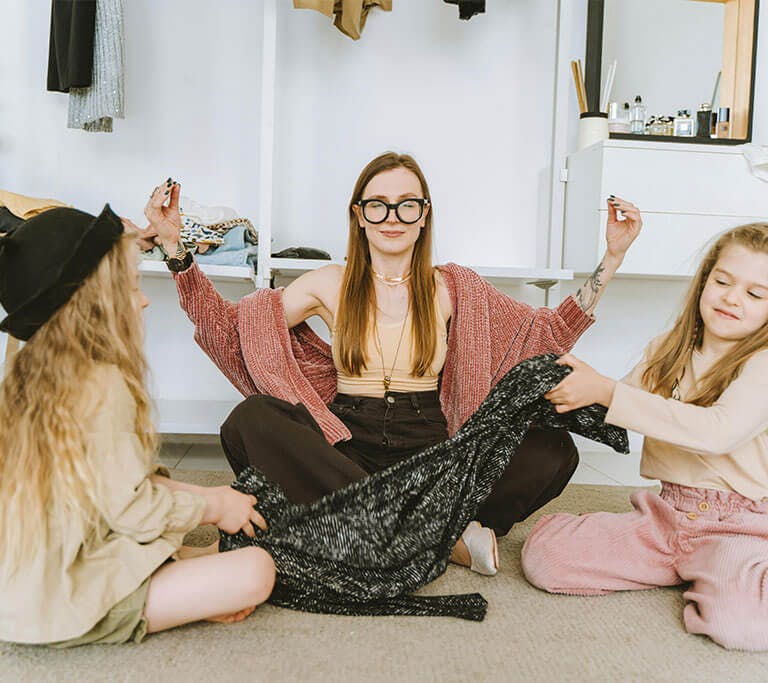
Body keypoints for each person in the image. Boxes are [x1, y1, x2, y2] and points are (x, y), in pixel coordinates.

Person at [143, 153, 641, 575]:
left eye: (407, 204)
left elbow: (546, 335)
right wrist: (174, 248)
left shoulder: (454, 287)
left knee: (552, 450)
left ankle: (365, 528)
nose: (392, 215)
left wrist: (611, 259)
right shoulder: (327, 283)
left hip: (434, 450)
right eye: (378, 204)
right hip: (345, 444)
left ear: (424, 215)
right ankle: (439, 540)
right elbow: (230, 333)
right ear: (359, 214)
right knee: (250, 421)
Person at [0, 206, 275, 647]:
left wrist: (214, 498)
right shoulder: (103, 384)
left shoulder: (25, 371)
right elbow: (131, 509)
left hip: (19, 585)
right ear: (93, 305)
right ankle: (178, 588)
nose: (144, 300)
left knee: (195, 532)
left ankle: (183, 564)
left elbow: (112, 489)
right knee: (256, 570)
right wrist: (210, 509)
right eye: (132, 287)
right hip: (58, 604)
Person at [523, 222, 768, 651]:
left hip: (739, 527)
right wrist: (564, 386)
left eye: (755, 294)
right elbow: (618, 410)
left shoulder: (762, 364)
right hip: (669, 515)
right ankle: (688, 566)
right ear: (705, 280)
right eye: (723, 281)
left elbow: (718, 432)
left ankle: (726, 573)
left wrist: (607, 391)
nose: (732, 298)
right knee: (546, 559)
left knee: (741, 627)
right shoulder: (668, 349)